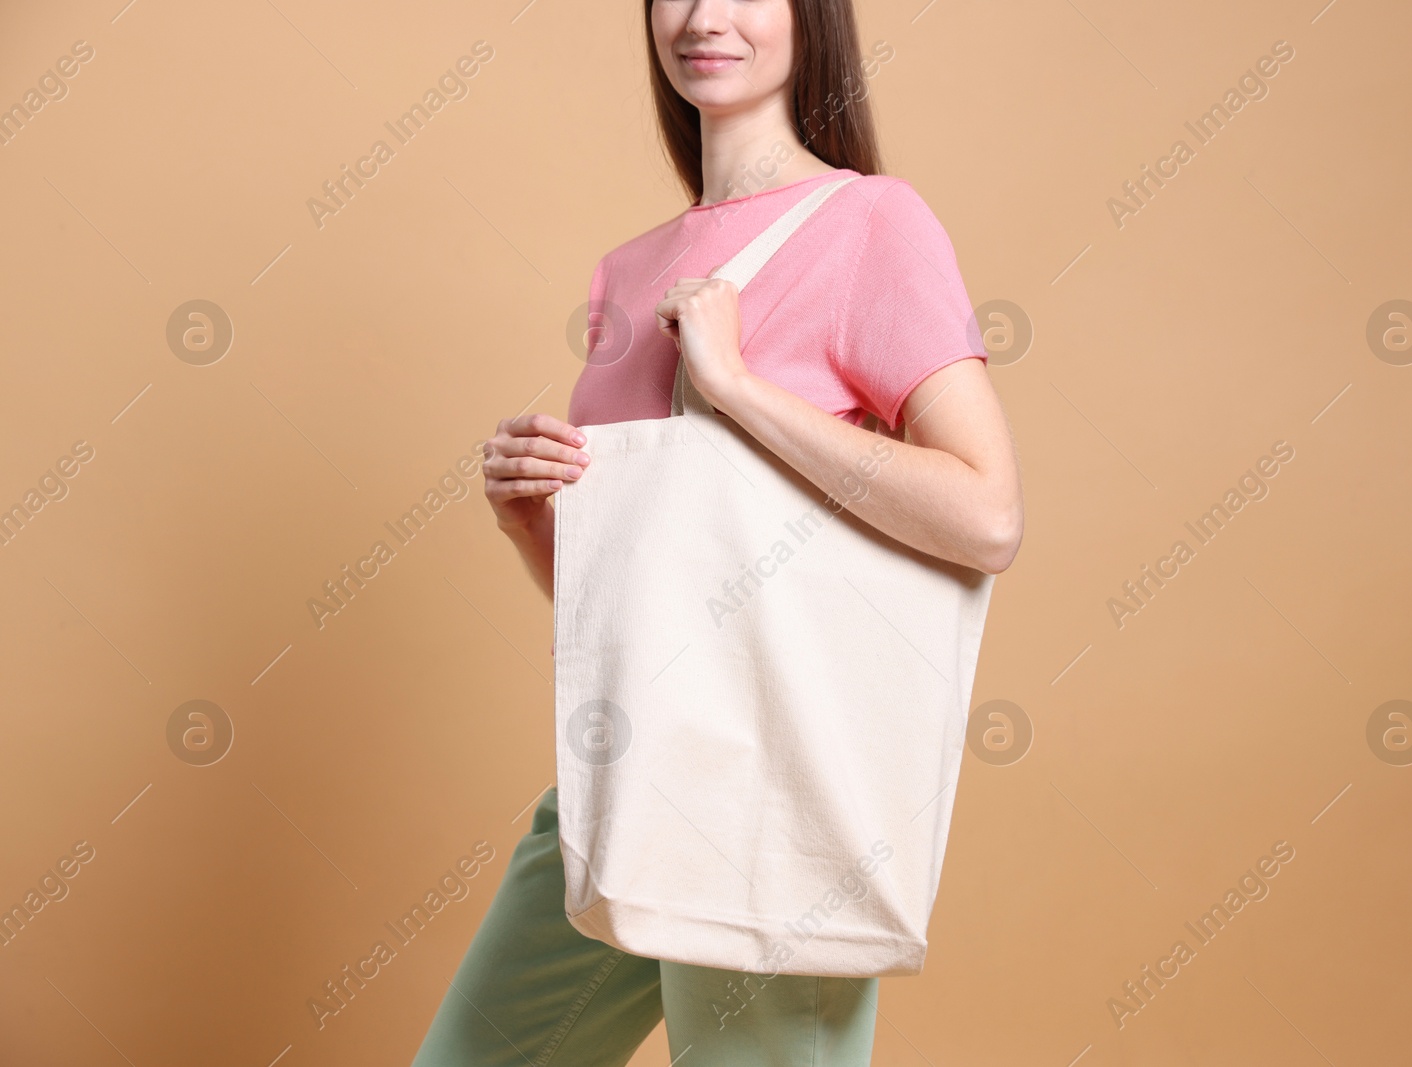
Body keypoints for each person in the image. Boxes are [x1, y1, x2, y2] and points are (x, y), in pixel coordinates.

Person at [411, 1, 1023, 1063]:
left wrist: (733, 386)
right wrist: (529, 521)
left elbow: (985, 514)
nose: (702, 16)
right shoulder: (629, 269)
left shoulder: (872, 222)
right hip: (619, 778)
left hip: (768, 807)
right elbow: (659, 597)